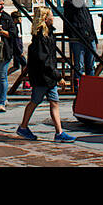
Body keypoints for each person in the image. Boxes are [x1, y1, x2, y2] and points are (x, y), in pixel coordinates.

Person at [16, 7, 74, 142]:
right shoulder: (41, 38)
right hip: (43, 78)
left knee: (54, 102)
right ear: (45, 19)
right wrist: (58, 76)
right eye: (51, 16)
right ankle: (23, 127)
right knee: (35, 101)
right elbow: (45, 61)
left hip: (47, 77)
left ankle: (59, 133)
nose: (53, 18)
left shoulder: (47, 35)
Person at [61, 0, 98, 87]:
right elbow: (76, 6)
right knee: (79, 66)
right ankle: (79, 87)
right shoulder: (68, 3)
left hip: (89, 37)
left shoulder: (82, 4)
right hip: (77, 39)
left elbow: (89, 21)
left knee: (91, 65)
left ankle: (92, 86)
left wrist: (94, 38)